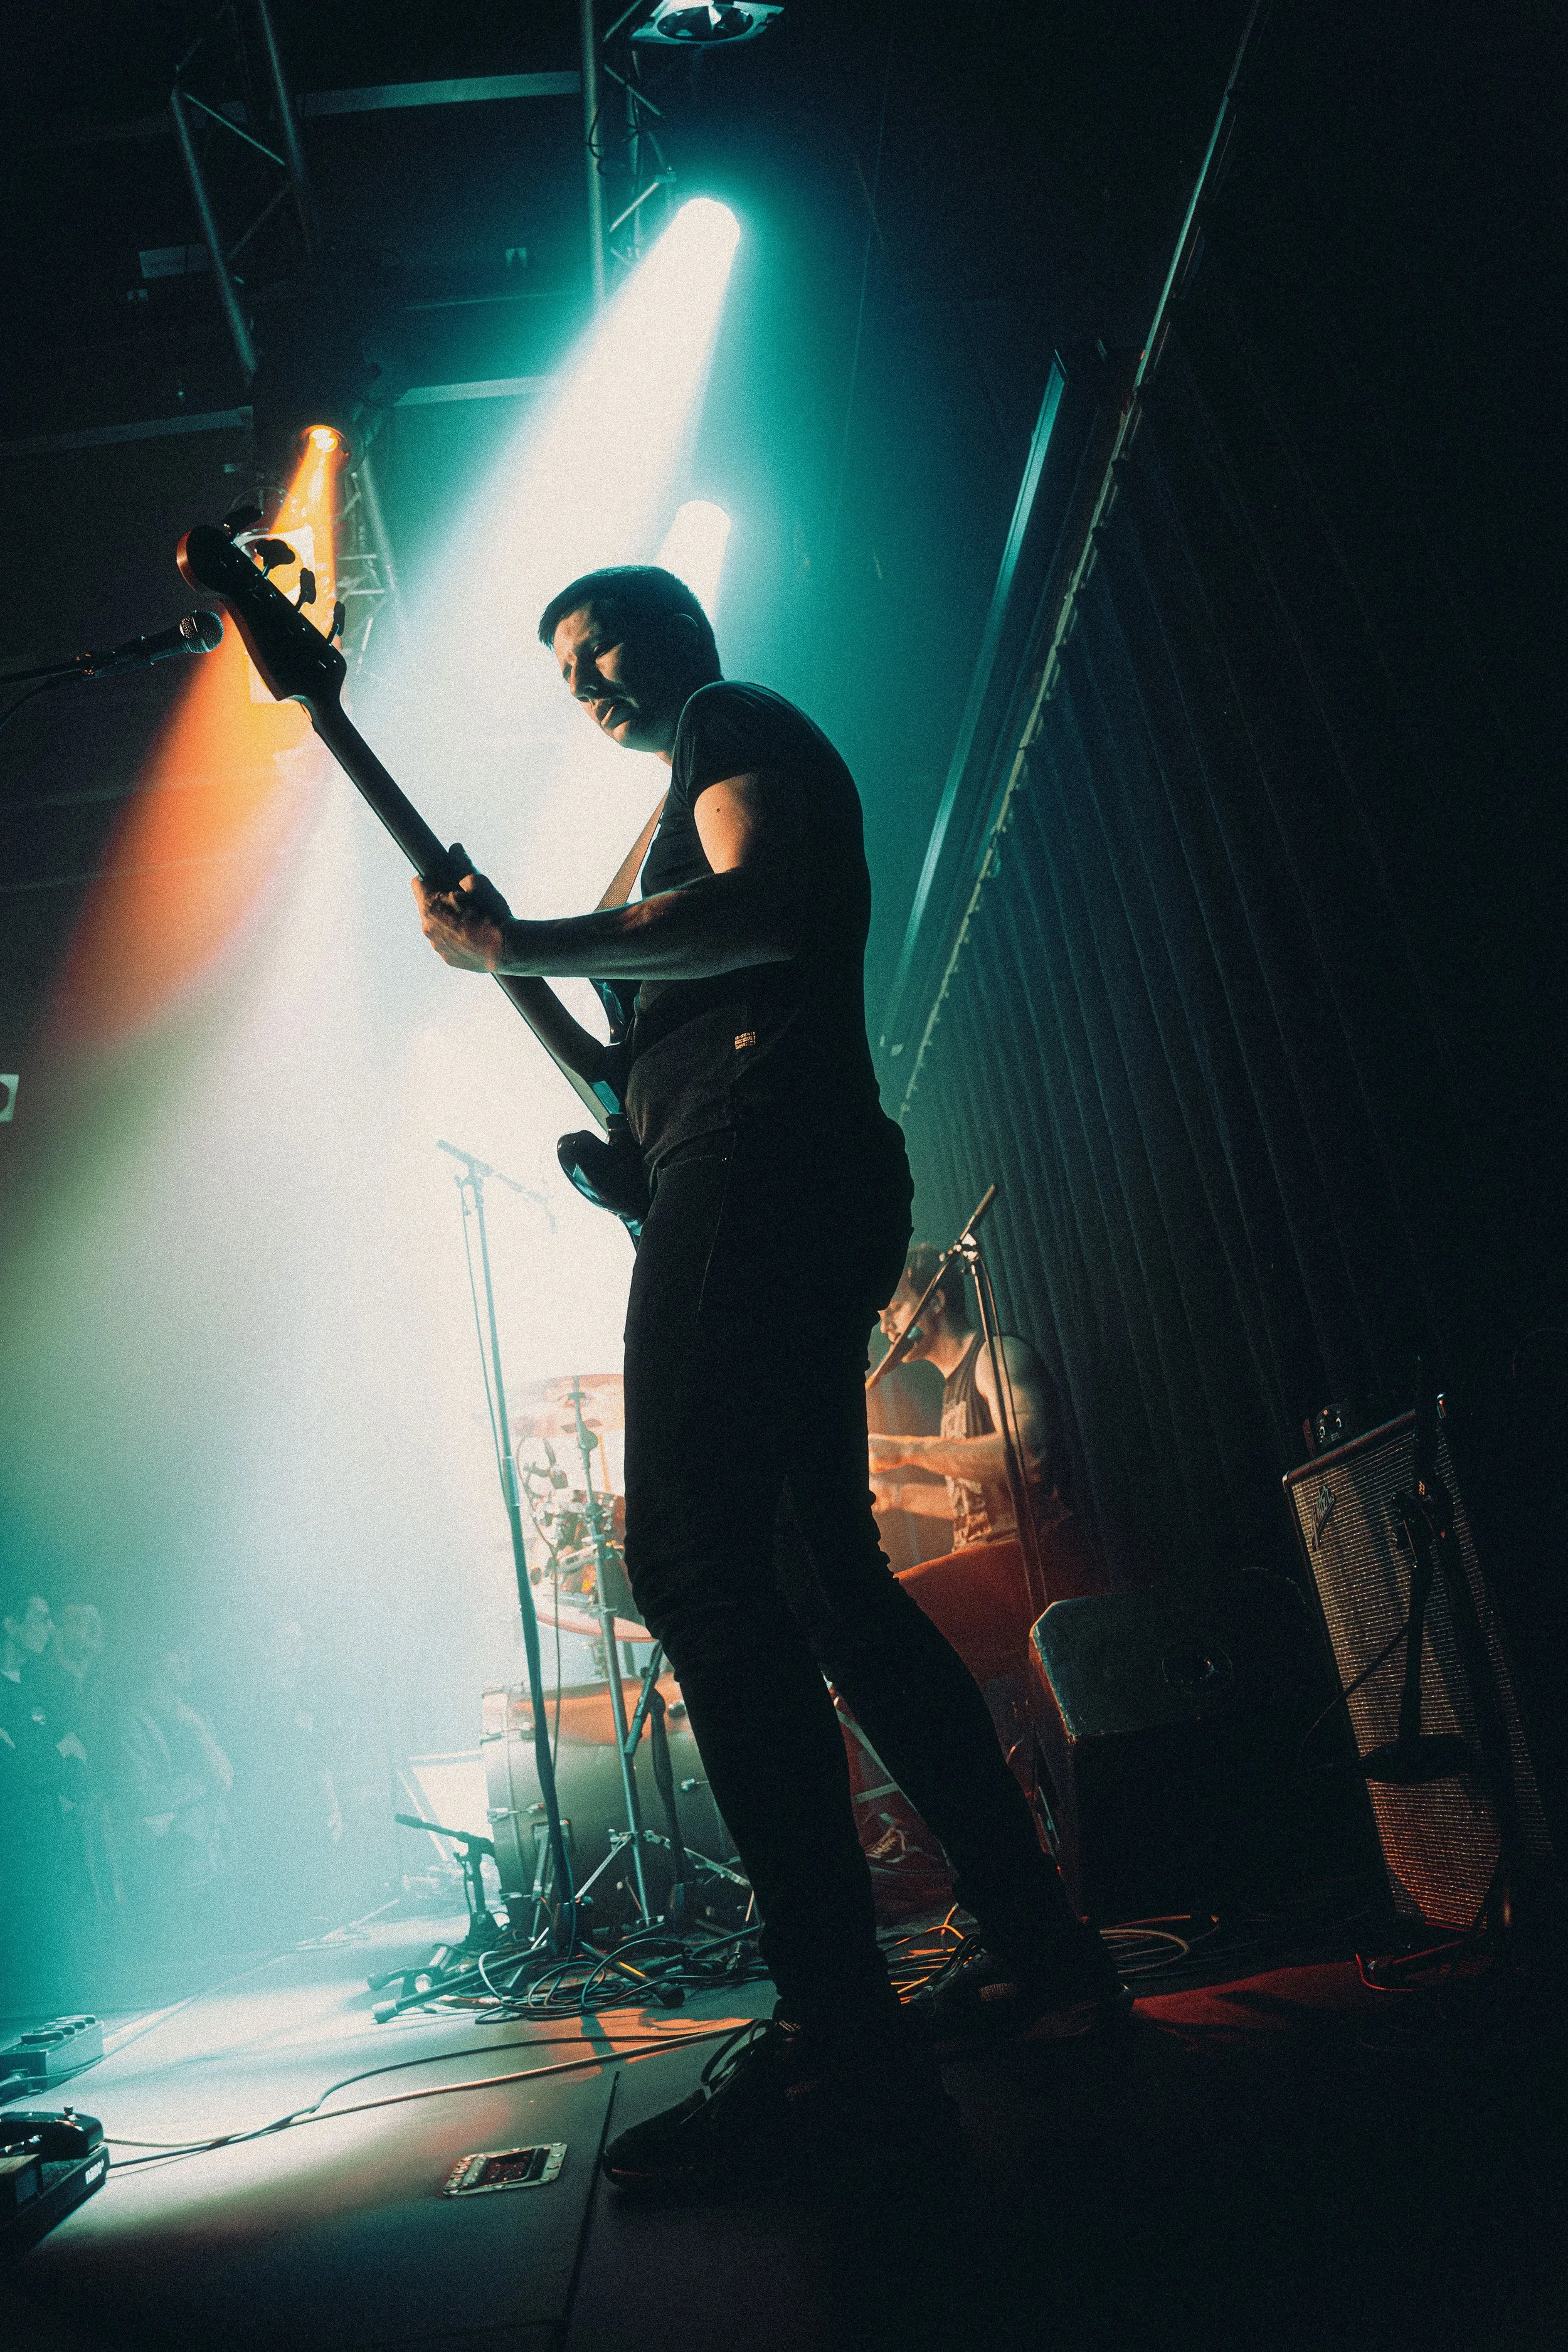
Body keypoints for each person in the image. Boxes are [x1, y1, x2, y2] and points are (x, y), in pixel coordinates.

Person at [411, 564, 1124, 2191]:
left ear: (684, 638)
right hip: (752, 1165)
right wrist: (627, 1143)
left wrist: (521, 936)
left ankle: (839, 2038)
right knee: (824, 1581)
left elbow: (770, 907)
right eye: (569, 665)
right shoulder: (659, 803)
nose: (592, 677)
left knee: (696, 1564)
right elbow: (640, 1043)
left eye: (612, 644)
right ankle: (1032, 1946)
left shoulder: (735, 730)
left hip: (772, 1164)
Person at [868, 1245, 1067, 1547]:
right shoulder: (952, 1387)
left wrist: (907, 1449)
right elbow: (978, 1506)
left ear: (935, 1301)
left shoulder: (995, 1357)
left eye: (894, 1309)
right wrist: (894, 1495)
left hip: (1038, 1560)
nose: (885, 1328)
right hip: (991, 1567)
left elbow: (1029, 1454)